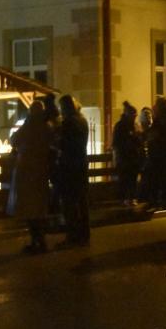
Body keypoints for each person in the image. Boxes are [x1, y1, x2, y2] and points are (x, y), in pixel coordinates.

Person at [8, 100, 52, 253]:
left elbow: (14, 140)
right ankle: (41, 240)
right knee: (40, 208)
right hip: (41, 171)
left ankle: (36, 241)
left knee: (30, 209)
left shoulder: (29, 126)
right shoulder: (47, 127)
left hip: (27, 172)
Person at [55, 94, 91, 247]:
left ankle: (73, 235)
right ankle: (84, 234)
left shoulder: (68, 123)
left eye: (61, 107)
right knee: (81, 201)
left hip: (69, 167)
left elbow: (62, 144)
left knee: (69, 203)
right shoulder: (82, 120)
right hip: (81, 165)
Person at [112, 101, 143, 205]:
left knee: (132, 178)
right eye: (133, 115)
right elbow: (117, 143)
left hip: (133, 157)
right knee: (125, 179)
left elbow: (139, 141)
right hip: (124, 157)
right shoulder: (120, 126)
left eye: (135, 116)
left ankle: (131, 197)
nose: (134, 117)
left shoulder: (134, 126)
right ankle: (125, 198)